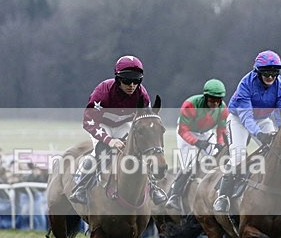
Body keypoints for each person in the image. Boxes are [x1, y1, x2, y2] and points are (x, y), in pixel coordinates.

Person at [213, 50, 281, 214]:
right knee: (238, 155)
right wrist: (260, 134)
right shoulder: (246, 84)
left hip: (263, 119)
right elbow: (246, 117)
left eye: (274, 73)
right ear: (258, 72)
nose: (270, 77)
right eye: (266, 73)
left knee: (279, 152)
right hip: (239, 119)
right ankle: (223, 196)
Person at [69, 55, 167, 205]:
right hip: (101, 124)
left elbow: (145, 119)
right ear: (117, 79)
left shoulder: (142, 94)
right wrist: (109, 140)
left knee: (139, 151)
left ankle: (153, 187)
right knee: (99, 152)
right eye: (127, 81)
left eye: (136, 81)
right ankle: (80, 187)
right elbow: (88, 121)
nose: (132, 85)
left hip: (124, 124)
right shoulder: (103, 92)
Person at [164, 78, 228, 212]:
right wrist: (197, 142)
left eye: (218, 100)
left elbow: (221, 130)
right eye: (212, 99)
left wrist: (220, 144)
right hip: (186, 132)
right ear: (205, 97)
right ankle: (174, 195)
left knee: (219, 160)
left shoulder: (223, 109)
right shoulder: (190, 104)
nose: (215, 103)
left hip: (205, 133)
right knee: (189, 165)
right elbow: (183, 130)